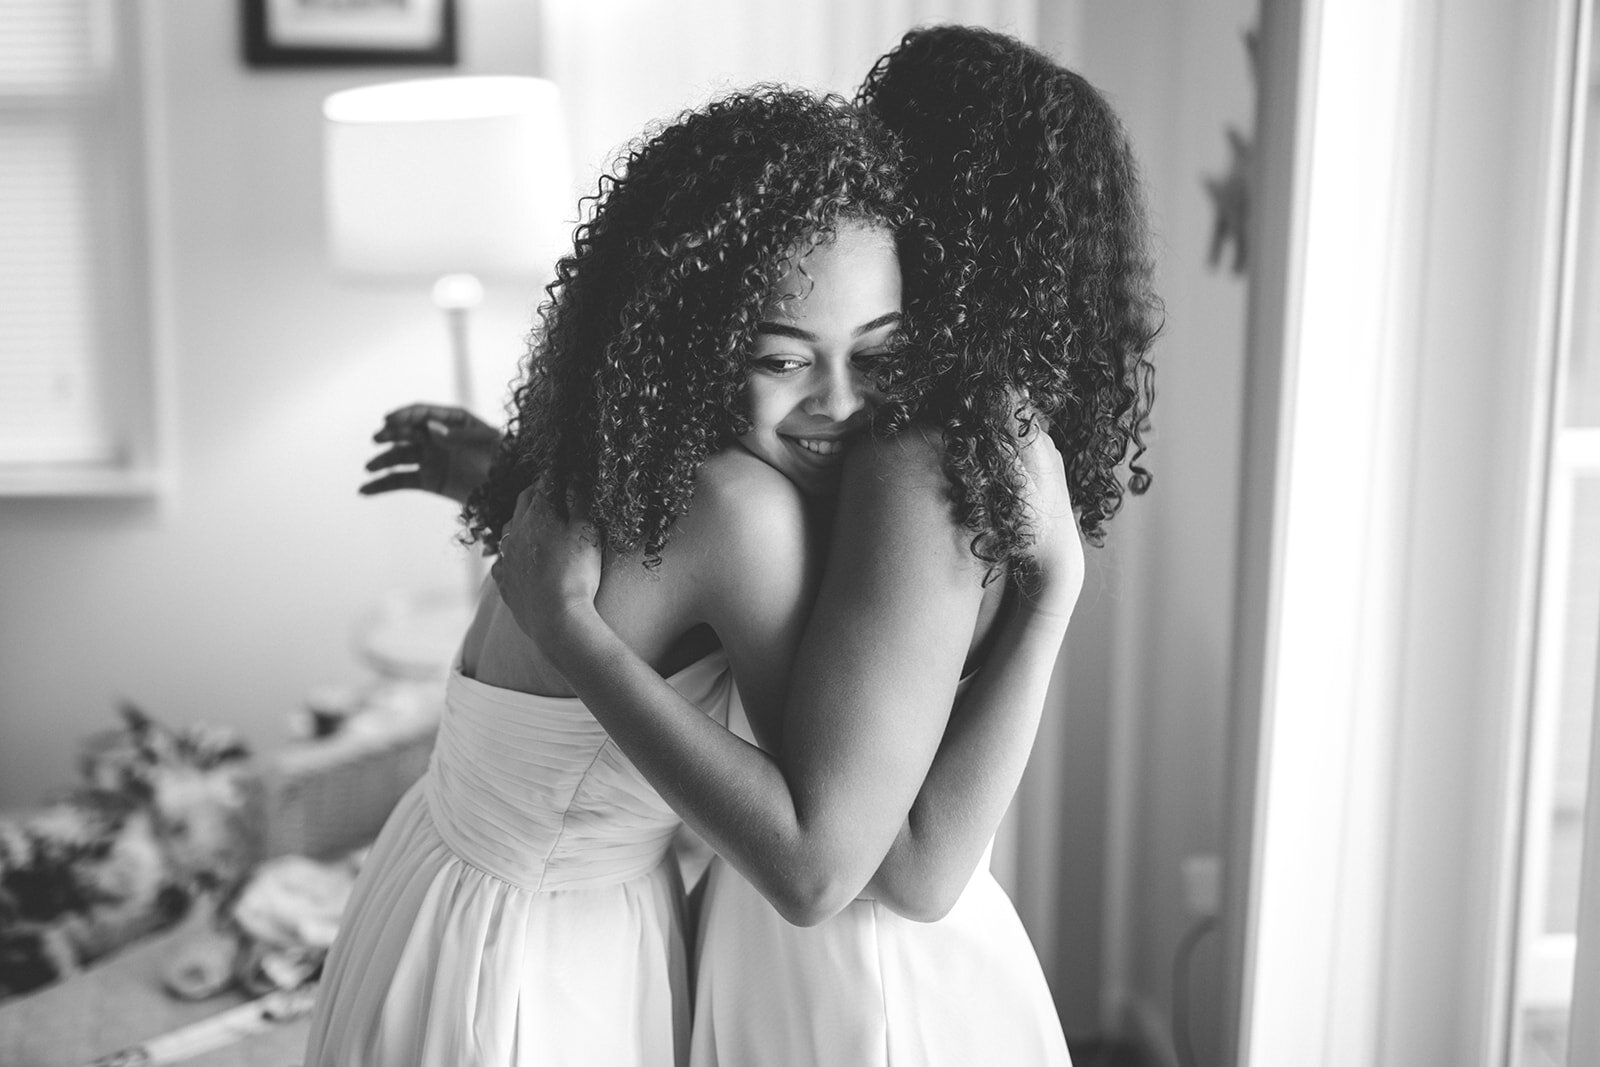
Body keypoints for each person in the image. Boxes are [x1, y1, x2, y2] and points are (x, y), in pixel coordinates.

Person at [310, 86, 1083, 1067]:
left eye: (876, 352)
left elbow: (648, 588)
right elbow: (820, 869)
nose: (839, 402)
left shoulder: (638, 451)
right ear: (691, 344)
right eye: (779, 357)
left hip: (441, 885)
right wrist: (571, 631)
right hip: (530, 957)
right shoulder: (743, 513)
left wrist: (506, 483)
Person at [487, 25, 1158, 1067]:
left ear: (939, 210)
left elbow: (912, 868)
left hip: (863, 979)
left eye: (881, 143)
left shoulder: (919, 460)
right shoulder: (923, 428)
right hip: (813, 941)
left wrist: (1055, 595)